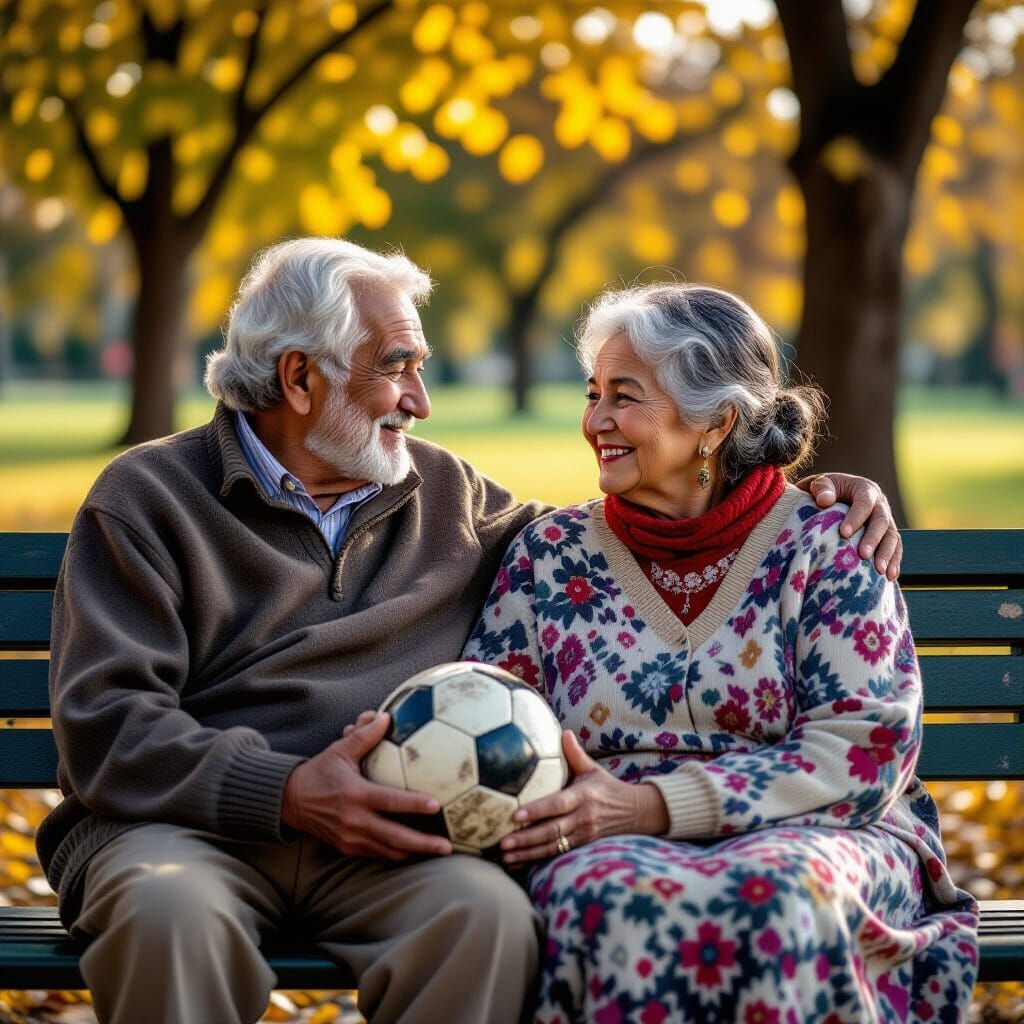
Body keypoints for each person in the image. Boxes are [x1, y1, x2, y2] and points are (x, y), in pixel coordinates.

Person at [39, 239, 903, 1024]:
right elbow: (108, 724)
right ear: (300, 380)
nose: (420, 398)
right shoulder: (149, 498)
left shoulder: (451, 497)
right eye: (396, 366)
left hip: (390, 838)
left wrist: (820, 491)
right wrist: (289, 790)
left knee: (484, 919)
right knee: (169, 916)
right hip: (185, 831)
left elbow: (651, 528)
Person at [463, 283, 979, 1023]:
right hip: (600, 839)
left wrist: (649, 807)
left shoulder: (828, 543)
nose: (595, 421)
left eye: (625, 397)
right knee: (611, 897)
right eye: (593, 392)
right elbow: (496, 715)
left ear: (715, 423)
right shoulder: (553, 553)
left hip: (817, 831)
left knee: (778, 895)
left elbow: (864, 752)